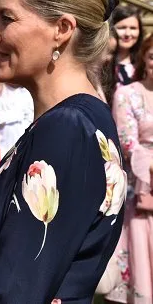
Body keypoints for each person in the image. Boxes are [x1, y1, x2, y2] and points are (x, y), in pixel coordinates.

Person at [0, 0, 127, 303]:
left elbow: (16, 292)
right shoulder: (85, 117)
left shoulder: (66, 129)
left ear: (62, 29)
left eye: (6, 18)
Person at [113, 34, 153, 303]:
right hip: (143, 187)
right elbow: (128, 143)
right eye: (152, 56)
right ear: (144, 58)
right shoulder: (127, 94)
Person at [111, 6, 143, 88]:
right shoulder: (100, 63)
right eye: (122, 28)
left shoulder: (145, 63)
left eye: (133, 28)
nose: (127, 34)